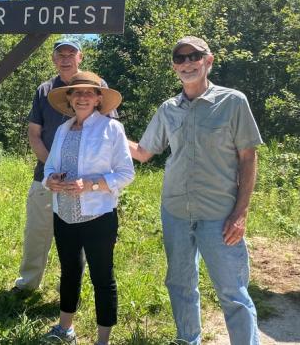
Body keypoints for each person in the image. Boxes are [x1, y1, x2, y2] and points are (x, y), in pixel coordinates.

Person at [129, 36, 261, 344]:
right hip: (175, 210)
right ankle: (188, 339)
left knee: (233, 292)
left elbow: (248, 157)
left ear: (208, 60)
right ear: (174, 67)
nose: (187, 63)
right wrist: (104, 126)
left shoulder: (233, 102)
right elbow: (144, 152)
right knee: (180, 284)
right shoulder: (168, 109)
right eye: (180, 58)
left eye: (194, 56)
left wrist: (240, 212)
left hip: (220, 214)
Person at [42, 71, 134, 345]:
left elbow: (126, 173)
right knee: (69, 271)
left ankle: (103, 340)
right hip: (64, 214)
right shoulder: (62, 129)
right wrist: (51, 180)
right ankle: (65, 329)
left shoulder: (111, 129)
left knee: (102, 277)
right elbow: (50, 165)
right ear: (69, 99)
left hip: (98, 216)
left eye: (88, 93)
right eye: (76, 92)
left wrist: (92, 185)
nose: (82, 97)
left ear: (98, 99)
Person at [14, 38, 110, 293]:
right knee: (37, 232)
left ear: (81, 57)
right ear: (53, 59)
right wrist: (52, 169)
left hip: (86, 182)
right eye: (61, 54)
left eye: (71, 53)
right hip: (47, 177)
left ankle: (74, 291)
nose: (66, 58)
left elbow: (109, 132)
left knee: (82, 239)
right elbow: (34, 134)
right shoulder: (44, 90)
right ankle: (26, 286)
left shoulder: (97, 86)